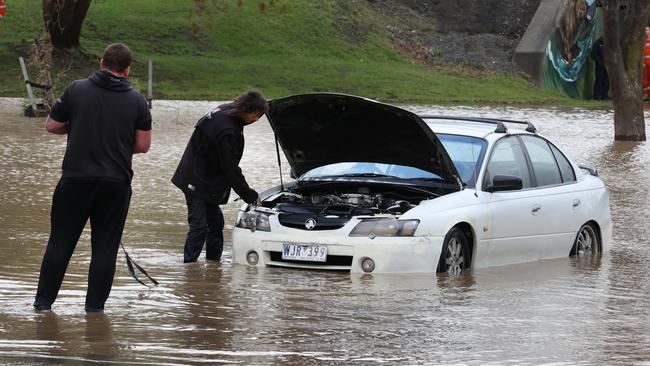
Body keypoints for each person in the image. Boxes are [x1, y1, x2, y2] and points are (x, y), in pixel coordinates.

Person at [33, 43, 152, 312]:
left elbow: (52, 125)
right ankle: (94, 311)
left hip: (76, 179)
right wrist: (118, 141)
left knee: (60, 242)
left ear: (101, 63)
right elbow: (143, 145)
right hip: (116, 184)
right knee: (105, 248)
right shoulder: (137, 101)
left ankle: (42, 305)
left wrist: (78, 129)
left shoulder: (77, 89)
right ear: (128, 69)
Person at [172, 90, 268, 263]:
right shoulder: (228, 130)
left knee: (215, 224)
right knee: (199, 226)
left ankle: (213, 266)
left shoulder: (225, 111)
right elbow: (230, 170)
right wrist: (250, 196)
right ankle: (189, 268)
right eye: (257, 115)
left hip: (203, 176)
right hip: (195, 180)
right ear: (251, 111)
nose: (257, 120)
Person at [643, 26, 650, 99]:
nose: (646, 31)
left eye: (647, 30)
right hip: (645, 63)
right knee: (645, 80)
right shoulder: (643, 41)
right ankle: (646, 95)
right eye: (645, 30)